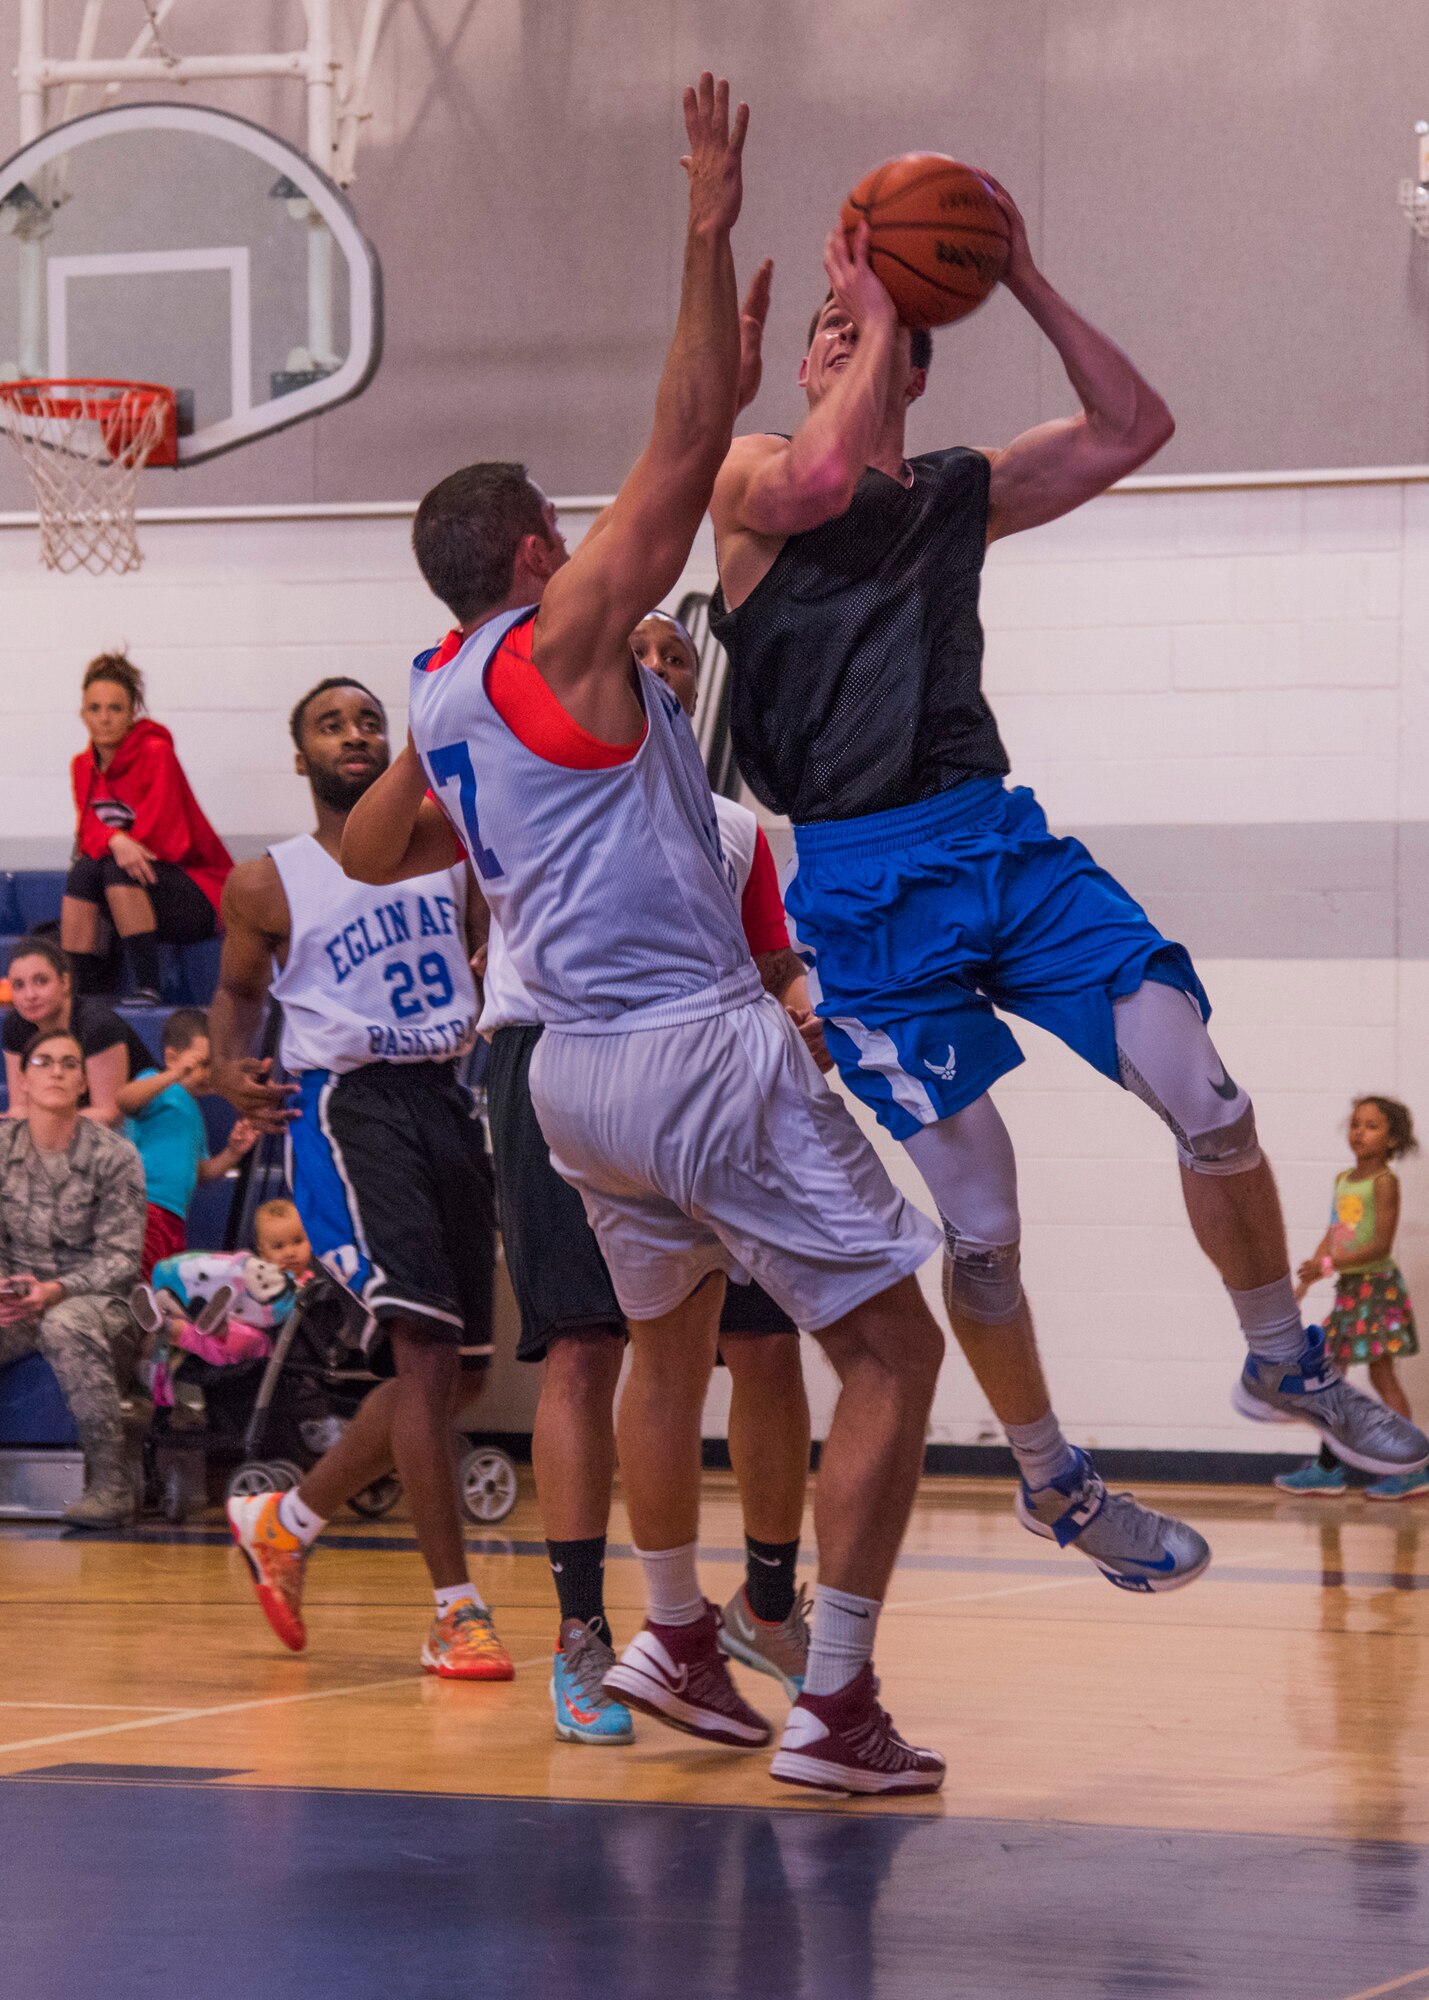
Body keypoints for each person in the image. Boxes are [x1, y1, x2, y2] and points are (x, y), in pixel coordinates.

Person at [344, 74, 949, 1796]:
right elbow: (684, 449)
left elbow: (691, 449)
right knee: (891, 1344)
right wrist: (701, 226)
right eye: (572, 521)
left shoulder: (443, 684)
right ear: (538, 549)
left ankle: (671, 1635)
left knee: (660, 1349)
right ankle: (832, 1702)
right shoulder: (554, 636)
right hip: (690, 1044)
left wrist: (740, 372)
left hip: (568, 1080)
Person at [706, 187, 1429, 1581]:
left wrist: (1020, 274)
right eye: (828, 333)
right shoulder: (754, 479)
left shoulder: (955, 493)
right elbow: (810, 483)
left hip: (1001, 845)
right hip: (859, 889)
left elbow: (1131, 427)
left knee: (1207, 1098)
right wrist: (871, 315)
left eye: (875, 335)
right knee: (983, 1228)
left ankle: (1280, 1358)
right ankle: (1054, 1482)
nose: (843, 347)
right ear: (812, 365)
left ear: (919, 366)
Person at [478, 603, 819, 1746]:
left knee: (767, 1338)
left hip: (719, 1064)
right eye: (641, 652)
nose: (661, 667)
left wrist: (806, 1015)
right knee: (587, 1343)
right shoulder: (531, 785)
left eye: (678, 655)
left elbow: (776, 963)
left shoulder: (731, 828)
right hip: (559, 1057)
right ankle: (585, 1630)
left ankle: (765, 1602)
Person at [212, 676, 509, 1681]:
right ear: (301, 756)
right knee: (421, 1353)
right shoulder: (269, 882)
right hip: (345, 1109)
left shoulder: (450, 849)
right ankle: (455, 1609)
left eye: (369, 719)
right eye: (331, 724)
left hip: (444, 1100)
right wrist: (224, 1069)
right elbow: (238, 998)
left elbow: (491, 941)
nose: (355, 733)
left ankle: (285, 1517)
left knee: (460, 1373)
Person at [0, 1027, 146, 1526]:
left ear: (84, 1082)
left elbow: (122, 1260)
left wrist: (57, 1291)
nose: (56, 1072)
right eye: (43, 1062)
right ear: (22, 1079)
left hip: (98, 1301)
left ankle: (112, 1485)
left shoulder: (115, 1156)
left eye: (68, 1063)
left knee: (66, 1324)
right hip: (20, 1298)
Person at [62, 650, 232, 1004]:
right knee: (84, 871)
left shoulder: (156, 753)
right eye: (95, 708)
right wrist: (115, 838)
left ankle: (148, 986)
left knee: (114, 867)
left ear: (132, 714)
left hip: (197, 891)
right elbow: (88, 836)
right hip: (133, 892)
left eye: (115, 708)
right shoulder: (82, 766)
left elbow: (168, 841)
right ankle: (82, 993)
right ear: (82, 714)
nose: (105, 718)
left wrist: (113, 843)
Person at [1277, 1099, 1426, 1501]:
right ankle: (1329, 1467)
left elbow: (1378, 1245)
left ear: (1392, 1138)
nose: (1359, 1132)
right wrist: (1310, 1276)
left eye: (1372, 1126)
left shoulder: (1383, 1182)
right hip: (1349, 1290)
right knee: (1329, 1376)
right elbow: (1335, 1230)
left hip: (1376, 1289)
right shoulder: (1344, 1178)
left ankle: (1410, 1468)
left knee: (1381, 1374)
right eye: (1356, 1124)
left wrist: (1329, 1264)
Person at [116, 1006, 259, 1275]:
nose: (208, 1074)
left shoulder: (193, 1110)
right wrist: (173, 1075)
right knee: (141, 1285)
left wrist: (232, 1152)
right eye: (202, 1064)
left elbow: (202, 1172)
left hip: (174, 1218)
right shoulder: (157, 1084)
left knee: (164, 1288)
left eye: (212, 1066)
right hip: (144, 1209)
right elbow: (125, 1100)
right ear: (172, 1058)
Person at [3, 936, 153, 1126]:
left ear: (65, 982)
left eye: (41, 981)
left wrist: (45, 1125)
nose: (30, 995)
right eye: (18, 985)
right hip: (71, 1125)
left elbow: (109, 1115)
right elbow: (20, 1107)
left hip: (145, 1124)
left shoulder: (98, 1026)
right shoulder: (16, 1025)